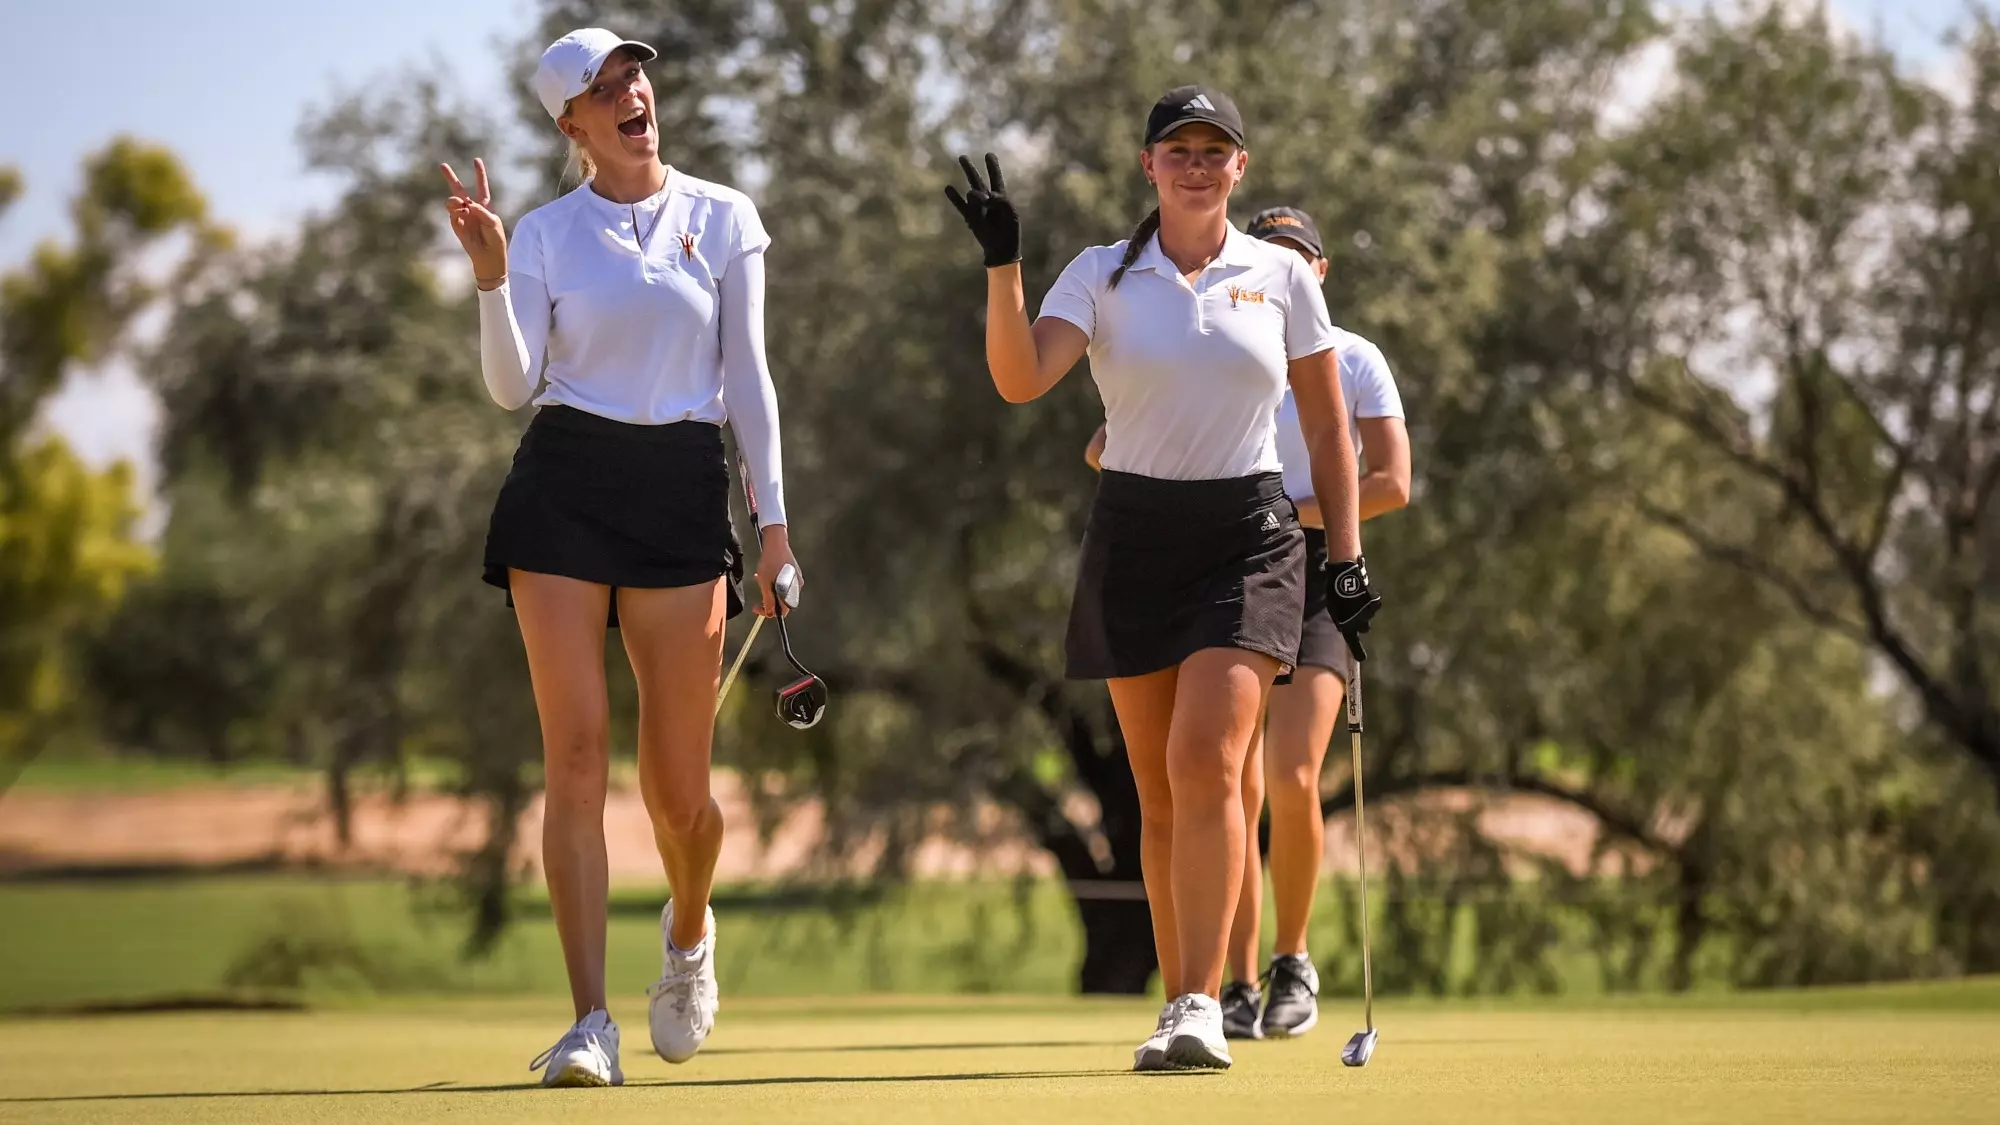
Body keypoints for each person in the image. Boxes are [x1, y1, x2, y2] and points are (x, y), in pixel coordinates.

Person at [946, 86, 1381, 1072]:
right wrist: (1001, 267)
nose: (1194, 164)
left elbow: (1324, 429)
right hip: (1133, 536)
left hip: (1248, 536)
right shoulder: (1100, 275)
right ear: (1147, 165)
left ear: (1240, 166)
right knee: (1156, 795)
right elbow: (1019, 379)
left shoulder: (1278, 276)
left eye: (1213, 149)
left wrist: (1344, 562)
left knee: (1204, 762)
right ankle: (1178, 990)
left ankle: (1196, 1003)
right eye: (1176, 149)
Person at [440, 26, 800, 1087]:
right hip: (562, 487)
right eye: (604, 89)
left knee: (678, 790)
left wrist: (773, 522)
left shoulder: (723, 216)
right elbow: (512, 388)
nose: (630, 92)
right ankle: (589, 1020)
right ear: (572, 125)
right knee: (578, 758)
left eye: (633, 76)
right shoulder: (544, 235)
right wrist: (492, 279)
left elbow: (750, 380)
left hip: (680, 492)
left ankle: (688, 938)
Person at [1081, 206, 1410, 1042]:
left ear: (1317, 275)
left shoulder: (1357, 358)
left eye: (1300, 256)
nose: (1283, 266)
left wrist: (1313, 528)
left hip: (1300, 570)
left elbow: (1392, 481)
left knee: (1291, 773)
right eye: (1273, 252)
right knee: (1224, 776)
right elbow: (1103, 442)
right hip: (1223, 559)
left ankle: (1291, 959)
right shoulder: (1213, 325)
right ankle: (1229, 980)